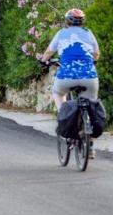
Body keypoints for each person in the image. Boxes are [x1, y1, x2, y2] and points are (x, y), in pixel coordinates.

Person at [39, 8, 100, 156]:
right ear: (82, 22)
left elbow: (48, 53)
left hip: (66, 76)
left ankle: (64, 116)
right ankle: (90, 143)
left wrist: (43, 61)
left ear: (67, 21)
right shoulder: (88, 33)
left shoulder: (61, 33)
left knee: (58, 93)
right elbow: (96, 54)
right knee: (91, 104)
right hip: (89, 77)